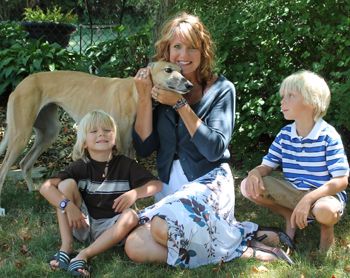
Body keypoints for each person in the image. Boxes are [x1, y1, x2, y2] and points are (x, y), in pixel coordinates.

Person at [124, 12, 294, 269]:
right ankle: (241, 239)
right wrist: (145, 97)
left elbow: (214, 149)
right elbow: (145, 148)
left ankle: (243, 246)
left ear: (203, 51)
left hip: (209, 182)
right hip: (172, 186)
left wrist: (180, 104)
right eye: (177, 47)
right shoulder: (161, 84)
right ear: (167, 51)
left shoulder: (222, 89)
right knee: (134, 245)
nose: (184, 55)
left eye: (192, 47)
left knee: (160, 228)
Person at [40, 110, 162, 276]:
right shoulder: (80, 166)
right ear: (84, 142)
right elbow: (46, 187)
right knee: (65, 185)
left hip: (113, 228)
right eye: (94, 131)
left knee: (131, 215)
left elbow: (156, 185)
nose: (101, 134)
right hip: (82, 223)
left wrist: (134, 193)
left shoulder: (126, 165)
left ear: (114, 138)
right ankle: (66, 247)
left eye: (107, 130)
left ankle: (84, 254)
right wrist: (68, 206)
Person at [240, 70, 349, 251]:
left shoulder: (328, 135)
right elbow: (267, 165)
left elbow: (341, 180)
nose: (282, 102)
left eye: (290, 96)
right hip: (292, 190)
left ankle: (326, 230)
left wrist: (308, 199)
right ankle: (289, 215)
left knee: (326, 212)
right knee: (247, 186)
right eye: (283, 96)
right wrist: (254, 173)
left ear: (311, 101)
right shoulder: (285, 135)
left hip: (322, 196)